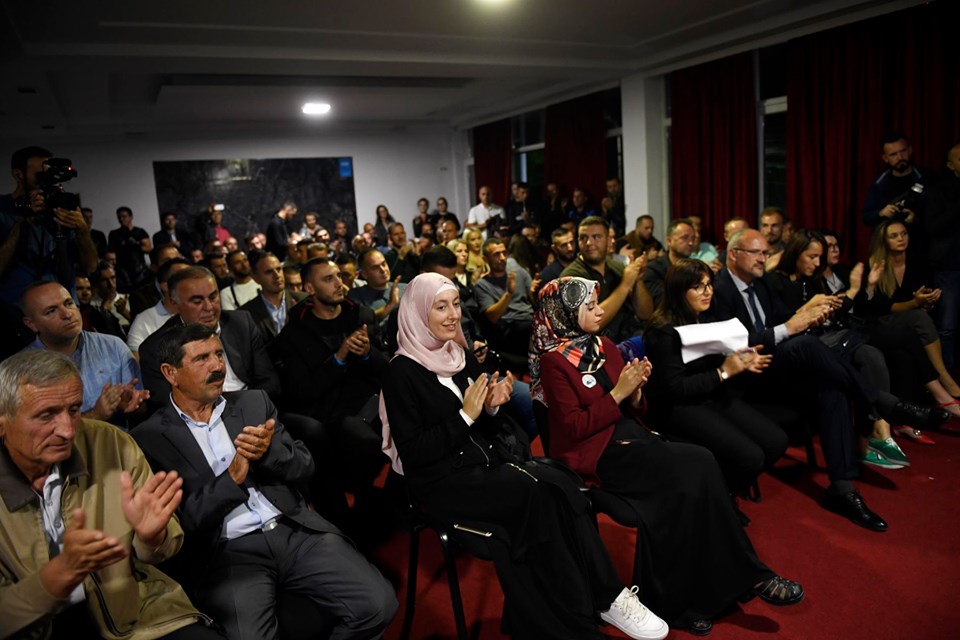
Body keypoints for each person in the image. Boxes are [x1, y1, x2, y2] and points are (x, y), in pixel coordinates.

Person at [380, 272, 670, 640]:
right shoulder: (401, 373)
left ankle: (604, 598)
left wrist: (491, 407)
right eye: (440, 307)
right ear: (418, 313)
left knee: (565, 484)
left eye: (455, 304)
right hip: (441, 482)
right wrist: (466, 415)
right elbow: (415, 454)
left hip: (483, 462)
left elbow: (479, 421)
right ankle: (578, 615)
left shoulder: (457, 353)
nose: (453, 315)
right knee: (540, 497)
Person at [530, 276, 804, 634]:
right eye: (590, 307)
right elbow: (573, 429)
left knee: (697, 472)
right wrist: (618, 394)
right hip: (597, 454)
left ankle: (704, 594)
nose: (600, 312)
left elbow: (636, 411)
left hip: (631, 439)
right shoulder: (553, 362)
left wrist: (636, 394)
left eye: (597, 304)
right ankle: (738, 580)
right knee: (696, 466)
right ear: (563, 314)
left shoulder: (604, 345)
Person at [132, 324, 397, 640]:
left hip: (293, 530)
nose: (218, 366)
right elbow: (180, 524)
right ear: (170, 373)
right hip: (228, 552)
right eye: (202, 358)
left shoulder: (253, 403)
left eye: (219, 354)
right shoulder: (149, 438)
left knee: (379, 605)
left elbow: (305, 465)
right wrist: (231, 480)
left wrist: (269, 453)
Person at [711, 229, 949, 530]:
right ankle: (884, 402)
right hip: (745, 375)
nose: (763, 258)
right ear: (734, 254)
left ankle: (842, 489)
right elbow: (731, 344)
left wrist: (811, 316)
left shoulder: (760, 284)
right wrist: (790, 327)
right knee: (805, 345)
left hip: (777, 368)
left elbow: (787, 318)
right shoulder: (719, 289)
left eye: (765, 253)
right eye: (756, 253)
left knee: (832, 386)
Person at [0, 350, 219, 640]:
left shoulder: (111, 442)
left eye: (74, 410)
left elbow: (163, 549)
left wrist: (152, 537)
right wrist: (55, 579)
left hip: (136, 613)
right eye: (46, 415)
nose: (67, 431)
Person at [644, 260, 789, 493]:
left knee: (776, 441)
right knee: (750, 456)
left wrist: (741, 359)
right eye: (698, 287)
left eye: (709, 284)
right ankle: (719, 499)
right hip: (677, 407)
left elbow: (716, 361)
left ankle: (724, 490)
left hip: (711, 394)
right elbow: (673, 389)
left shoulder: (706, 317)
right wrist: (723, 372)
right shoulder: (663, 331)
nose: (708, 292)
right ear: (679, 291)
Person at [19, 281, 149, 424]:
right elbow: (33, 430)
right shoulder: (20, 372)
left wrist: (131, 403)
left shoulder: (114, 347)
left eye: (69, 303)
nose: (67, 314)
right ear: (31, 324)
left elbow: (142, 410)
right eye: (51, 311)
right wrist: (95, 415)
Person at [867, 220, 960, 399]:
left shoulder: (917, 262)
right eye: (894, 236)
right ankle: (943, 377)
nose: (901, 239)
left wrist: (928, 301)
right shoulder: (876, 266)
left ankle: (935, 381)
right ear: (884, 241)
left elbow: (922, 297)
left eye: (904, 234)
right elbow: (884, 307)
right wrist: (915, 303)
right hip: (881, 321)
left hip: (911, 318)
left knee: (922, 318)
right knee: (918, 318)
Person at [108, 207, 152, 293]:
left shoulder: (139, 232)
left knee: (142, 292)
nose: (121, 219)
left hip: (139, 269)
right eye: (119, 217)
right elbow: (111, 251)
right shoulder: (114, 234)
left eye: (124, 216)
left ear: (131, 217)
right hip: (122, 269)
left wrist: (134, 245)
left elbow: (148, 249)